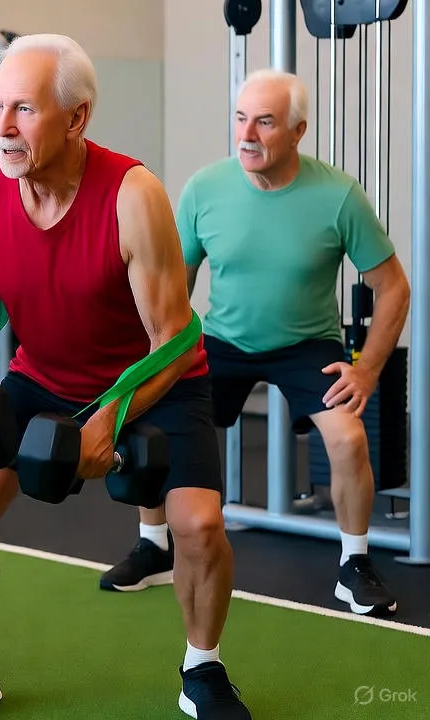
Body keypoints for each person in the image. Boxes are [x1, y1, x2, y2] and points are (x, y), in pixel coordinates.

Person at [0, 34, 251, 720]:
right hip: (42, 376)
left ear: (76, 117)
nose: (4, 126)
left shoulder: (133, 195)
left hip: (156, 377)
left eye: (24, 109)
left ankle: (203, 670)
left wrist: (109, 416)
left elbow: (174, 337)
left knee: (199, 524)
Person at [101, 69, 410, 618]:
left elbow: (393, 287)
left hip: (307, 344)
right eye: (241, 118)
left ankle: (354, 564)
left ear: (298, 131)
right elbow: (174, 283)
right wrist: (154, 360)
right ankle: (154, 545)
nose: (247, 134)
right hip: (220, 340)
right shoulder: (206, 189)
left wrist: (365, 370)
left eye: (264, 122)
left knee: (348, 439)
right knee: (149, 415)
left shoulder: (339, 196)